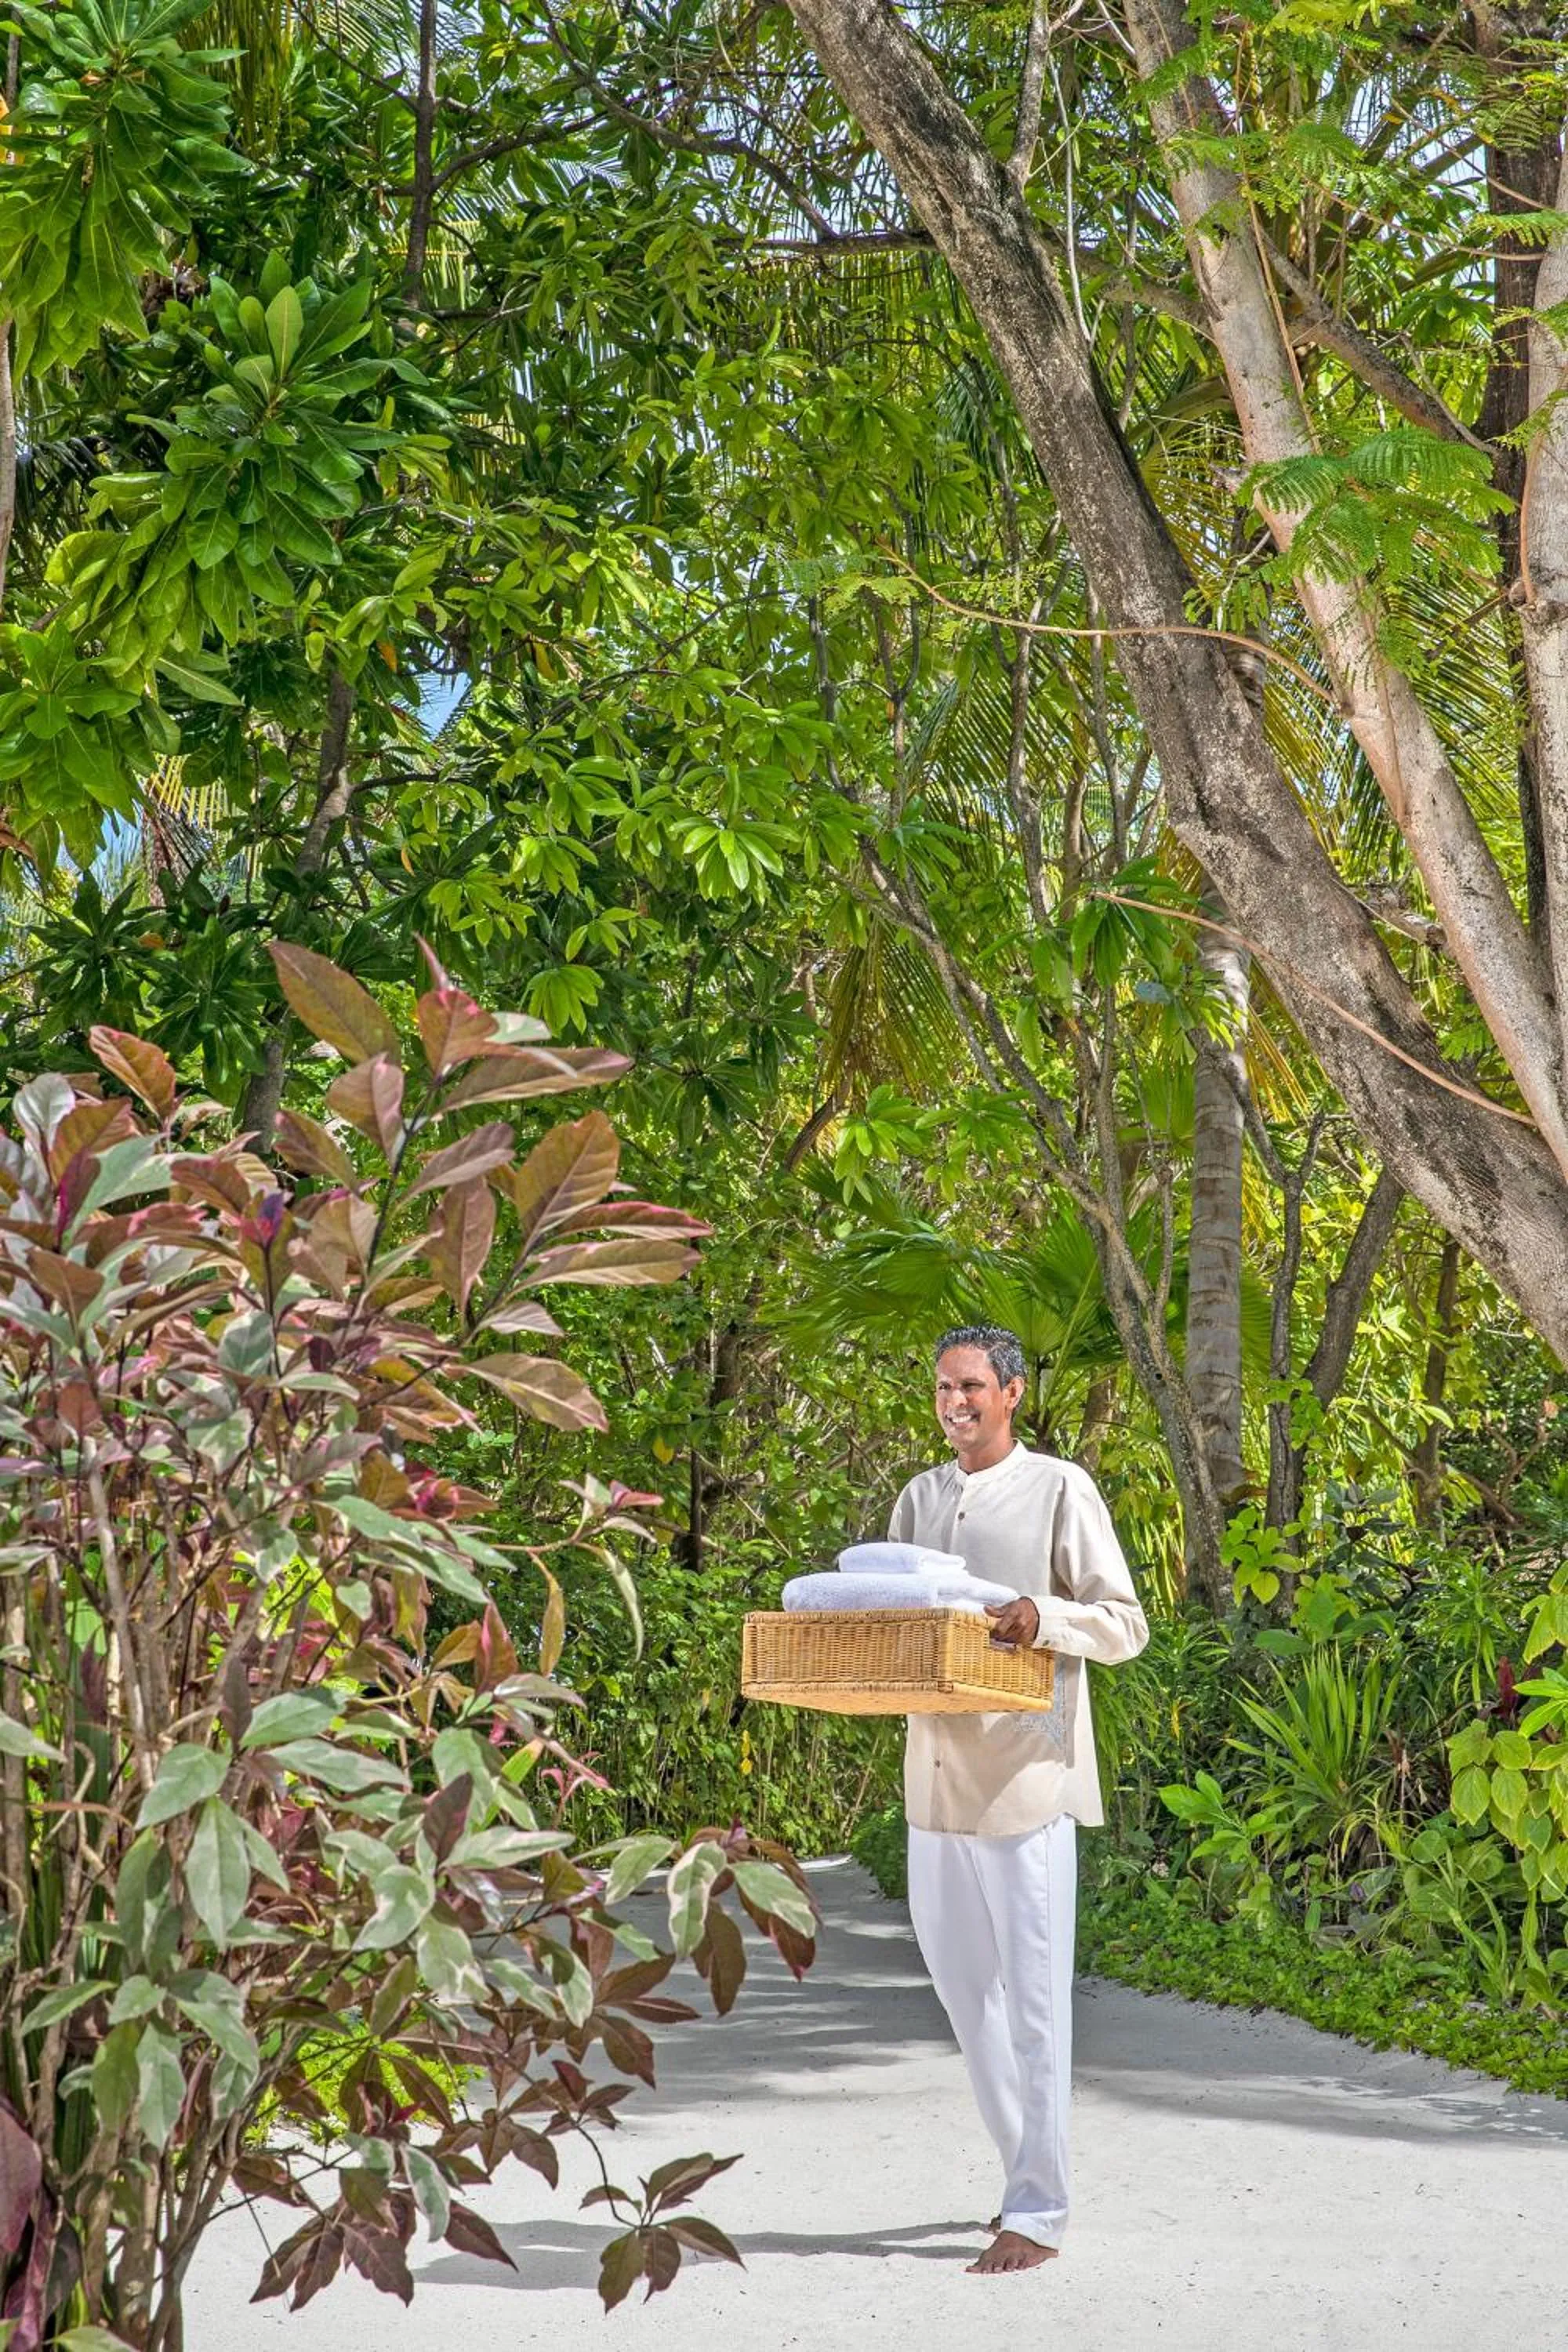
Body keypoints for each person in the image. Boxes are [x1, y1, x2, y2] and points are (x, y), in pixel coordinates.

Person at [887, 1323, 1149, 2276]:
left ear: (1012, 1393)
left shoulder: (1060, 1488)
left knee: (1036, 2005)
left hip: (1025, 1779)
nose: (953, 1403)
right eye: (941, 1388)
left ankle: (1038, 2213)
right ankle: (1019, 2178)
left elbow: (1124, 1624)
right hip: (932, 1784)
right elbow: (899, 1613)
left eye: (969, 1387)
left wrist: (1046, 1618)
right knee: (965, 1998)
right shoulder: (918, 1495)